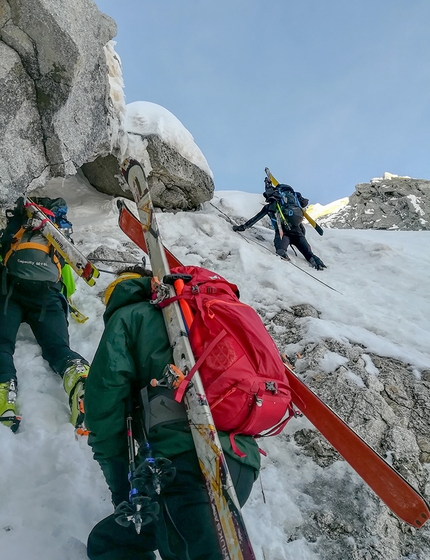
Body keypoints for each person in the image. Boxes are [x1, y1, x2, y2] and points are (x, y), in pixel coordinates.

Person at [84, 265, 260, 560]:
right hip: (239, 463)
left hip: (181, 468)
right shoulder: (194, 314)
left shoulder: (130, 316)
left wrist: (121, 489)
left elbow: (104, 408)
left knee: (109, 545)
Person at [0, 196, 90, 433]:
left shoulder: (17, 229)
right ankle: (78, 379)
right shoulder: (56, 238)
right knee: (58, 350)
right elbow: (66, 283)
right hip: (47, 297)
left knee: (2, 345)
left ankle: (3, 393)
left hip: (11, 293)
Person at [233, 177, 326, 270]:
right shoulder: (296, 204)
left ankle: (286, 269)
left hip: (283, 233)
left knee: (281, 251)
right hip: (298, 232)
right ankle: (318, 263)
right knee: (309, 254)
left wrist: (243, 227)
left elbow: (257, 218)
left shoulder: (272, 205)